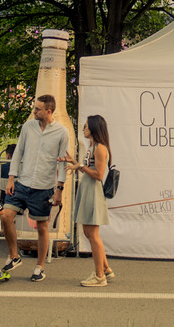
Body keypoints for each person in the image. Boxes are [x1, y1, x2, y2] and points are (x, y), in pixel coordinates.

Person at [0, 94, 69, 282]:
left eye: (37, 109)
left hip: (43, 186)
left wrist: (59, 189)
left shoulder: (62, 132)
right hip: (22, 181)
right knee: (6, 216)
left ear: (48, 110)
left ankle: (40, 266)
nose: (34, 111)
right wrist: (11, 178)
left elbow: (63, 163)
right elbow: (18, 152)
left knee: (41, 227)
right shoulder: (28, 127)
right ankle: (14, 256)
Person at [60, 115, 113, 286]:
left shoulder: (100, 148)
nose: (83, 128)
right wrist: (75, 163)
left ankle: (99, 276)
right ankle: (105, 269)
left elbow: (98, 175)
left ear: (94, 129)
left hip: (93, 192)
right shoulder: (93, 147)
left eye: (86, 126)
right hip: (88, 190)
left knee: (92, 234)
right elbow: (88, 169)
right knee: (89, 233)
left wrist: (79, 166)